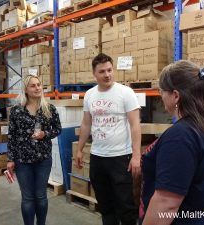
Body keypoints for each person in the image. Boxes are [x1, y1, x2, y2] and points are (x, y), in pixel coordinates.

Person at [140, 60, 204, 225]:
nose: (161, 96)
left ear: (176, 95)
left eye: (162, 91)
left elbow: (166, 204)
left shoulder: (181, 136)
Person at [76, 53, 141, 225]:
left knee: (125, 206)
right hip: (98, 157)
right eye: (102, 71)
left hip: (120, 158)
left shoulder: (126, 93)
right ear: (94, 74)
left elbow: (135, 125)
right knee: (105, 205)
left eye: (110, 70)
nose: (107, 74)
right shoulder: (89, 95)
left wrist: (136, 156)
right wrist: (79, 149)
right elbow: (86, 124)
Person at [7, 75, 62, 225]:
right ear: (26, 89)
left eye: (39, 85)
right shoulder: (16, 111)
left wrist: (45, 134)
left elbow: (58, 129)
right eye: (33, 85)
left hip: (43, 159)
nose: (37, 88)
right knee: (27, 198)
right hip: (22, 160)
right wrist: (10, 159)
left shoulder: (49, 109)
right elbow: (11, 135)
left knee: (41, 196)